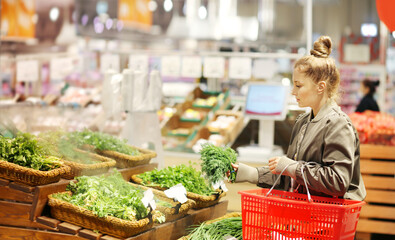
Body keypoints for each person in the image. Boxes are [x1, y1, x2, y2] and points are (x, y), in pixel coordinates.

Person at [230, 36, 366, 201]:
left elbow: (338, 181)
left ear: (320, 87)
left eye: (299, 85)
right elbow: (292, 178)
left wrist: (293, 167)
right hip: (306, 215)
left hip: (330, 220)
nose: (293, 92)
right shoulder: (303, 122)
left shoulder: (337, 124)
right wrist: (249, 173)